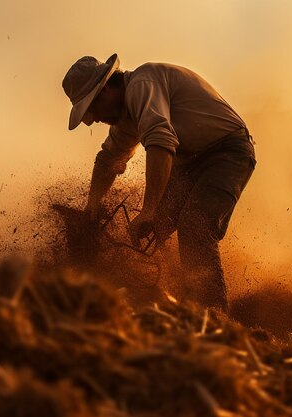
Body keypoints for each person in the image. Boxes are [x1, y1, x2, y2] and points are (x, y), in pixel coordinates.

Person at [62, 53, 256, 310]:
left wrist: (149, 209)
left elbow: (160, 143)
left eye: (92, 108)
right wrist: (92, 207)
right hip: (189, 163)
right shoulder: (126, 118)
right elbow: (107, 159)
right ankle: (175, 298)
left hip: (227, 152)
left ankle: (215, 314)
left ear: (106, 88)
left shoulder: (142, 84)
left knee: (194, 225)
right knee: (155, 230)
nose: (94, 118)